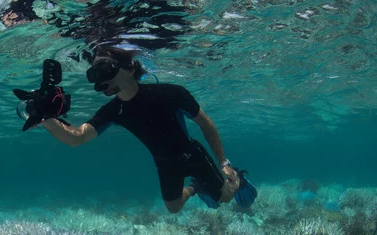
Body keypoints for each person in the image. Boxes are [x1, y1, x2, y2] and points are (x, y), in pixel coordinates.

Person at [37, 47, 257, 213]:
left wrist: (224, 163)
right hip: (164, 162)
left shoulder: (172, 93)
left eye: (105, 69)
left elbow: (206, 124)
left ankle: (238, 175)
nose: (101, 79)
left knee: (225, 198)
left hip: (191, 154)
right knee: (173, 207)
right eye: (95, 73)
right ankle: (196, 187)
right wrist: (44, 117)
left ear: (130, 67)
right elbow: (78, 137)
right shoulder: (114, 110)